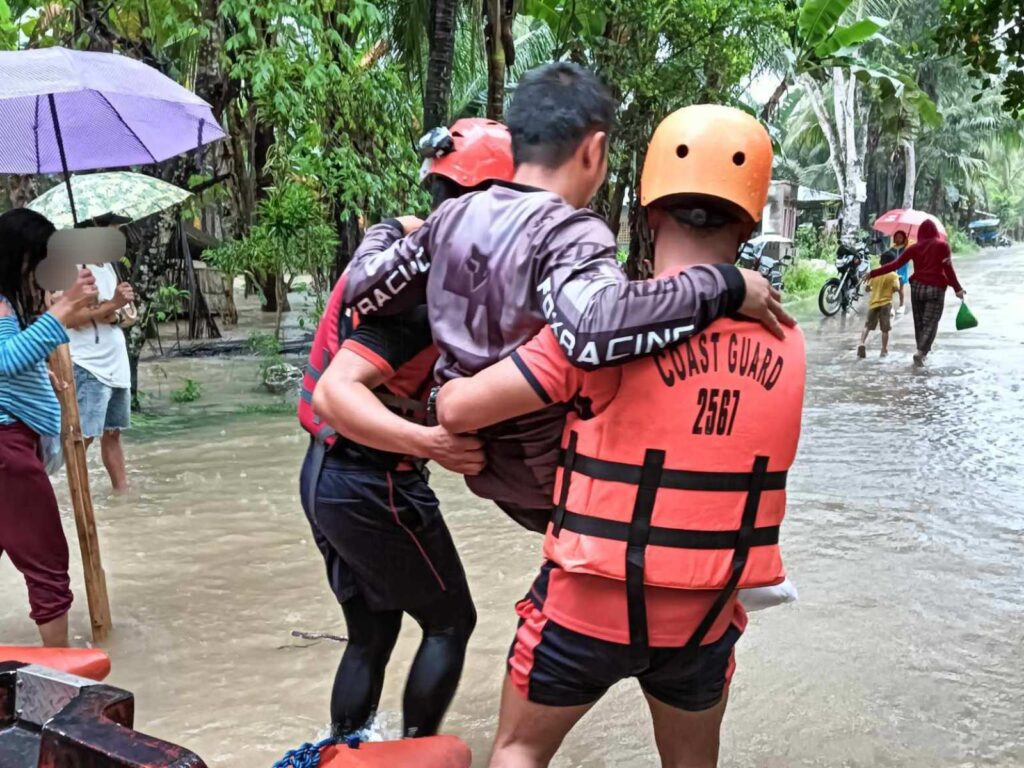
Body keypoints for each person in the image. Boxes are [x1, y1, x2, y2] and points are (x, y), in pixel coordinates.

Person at [435, 105, 807, 768]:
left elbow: (460, 411)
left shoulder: (600, 336)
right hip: (702, 618)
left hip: (584, 608)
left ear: (650, 214)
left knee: (518, 750)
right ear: (748, 225)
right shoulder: (791, 346)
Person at [340, 63, 794, 533]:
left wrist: (389, 228)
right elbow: (592, 329)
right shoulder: (569, 231)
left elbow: (363, 290)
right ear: (594, 151)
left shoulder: (451, 218)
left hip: (484, 463)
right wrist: (724, 284)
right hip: (551, 475)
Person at [297, 118, 515, 739]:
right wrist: (432, 443)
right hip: (370, 482)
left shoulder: (391, 247)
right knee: (452, 621)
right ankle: (417, 753)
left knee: (374, 630)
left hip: (322, 474)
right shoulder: (424, 295)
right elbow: (340, 393)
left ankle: (345, 748)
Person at [0, 208, 98, 646]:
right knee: (46, 559)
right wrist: (58, 313)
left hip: (12, 443)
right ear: (20, 259)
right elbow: (3, 361)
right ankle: (59, 670)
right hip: (7, 449)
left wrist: (43, 376)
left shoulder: (11, 303)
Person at [66, 214, 136, 493]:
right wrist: (112, 306)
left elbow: (130, 314)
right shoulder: (73, 270)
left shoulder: (108, 267)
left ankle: (124, 494)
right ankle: (78, 497)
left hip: (116, 364)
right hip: (88, 364)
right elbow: (69, 318)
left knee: (112, 433)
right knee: (84, 436)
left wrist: (115, 311)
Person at [868, 219, 964, 367]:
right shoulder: (942, 246)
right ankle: (921, 352)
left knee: (919, 323)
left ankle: (921, 352)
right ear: (935, 232)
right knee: (930, 323)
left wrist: (874, 273)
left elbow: (895, 264)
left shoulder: (914, 248)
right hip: (935, 289)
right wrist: (957, 288)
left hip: (917, 288)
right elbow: (948, 270)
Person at [858, 250, 901, 358]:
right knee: (885, 329)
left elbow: (867, 288)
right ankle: (884, 349)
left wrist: (873, 288)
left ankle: (862, 343)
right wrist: (897, 280)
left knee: (867, 326)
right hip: (886, 304)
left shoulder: (875, 272)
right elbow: (896, 288)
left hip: (873, 303)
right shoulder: (893, 275)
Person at [885, 230, 910, 314]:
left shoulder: (906, 248)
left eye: (900, 237)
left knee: (900, 289)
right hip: (893, 271)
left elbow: (908, 259)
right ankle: (890, 307)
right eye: (896, 237)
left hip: (902, 270)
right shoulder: (892, 249)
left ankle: (902, 305)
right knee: (890, 290)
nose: (898, 239)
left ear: (903, 239)